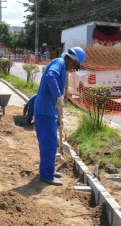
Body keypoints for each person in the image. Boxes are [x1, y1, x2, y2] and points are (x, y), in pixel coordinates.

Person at [34, 47, 86, 186]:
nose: (72, 69)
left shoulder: (62, 68)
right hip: (45, 111)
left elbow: (59, 101)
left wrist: (60, 118)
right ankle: (46, 175)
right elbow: (50, 76)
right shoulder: (59, 62)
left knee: (50, 143)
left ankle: (48, 170)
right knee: (49, 144)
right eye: (74, 66)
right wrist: (58, 96)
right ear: (72, 61)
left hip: (49, 112)